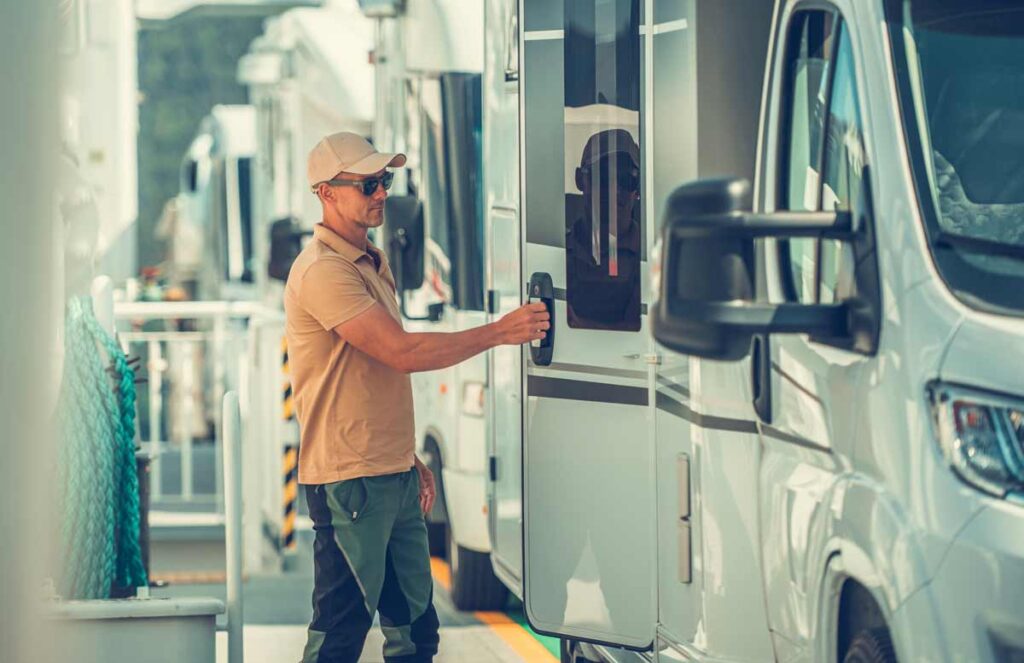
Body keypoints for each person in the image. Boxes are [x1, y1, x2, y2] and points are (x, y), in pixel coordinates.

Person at [284, 131, 549, 663]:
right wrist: (500, 331)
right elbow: (400, 352)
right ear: (326, 192)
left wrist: (406, 458)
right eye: (367, 184)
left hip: (392, 474)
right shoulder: (323, 271)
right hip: (348, 482)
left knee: (415, 633)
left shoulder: (370, 261)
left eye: (384, 180)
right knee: (338, 634)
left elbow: (369, 379)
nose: (381, 192)